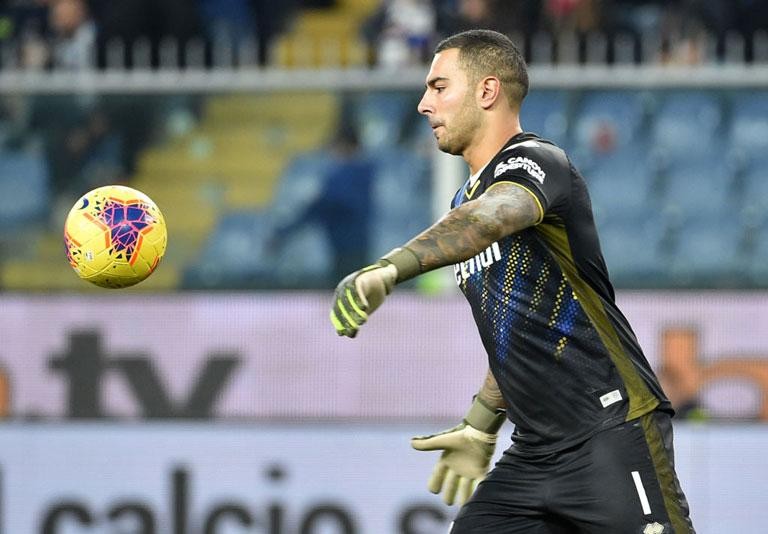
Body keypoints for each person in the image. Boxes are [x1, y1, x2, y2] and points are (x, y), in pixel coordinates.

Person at [330, 29, 695, 533]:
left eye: (438, 87)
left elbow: (491, 219)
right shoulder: (463, 200)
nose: (422, 104)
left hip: (609, 431)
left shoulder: (537, 162)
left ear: (486, 91)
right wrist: (480, 424)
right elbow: (519, 331)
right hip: (533, 454)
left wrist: (392, 266)